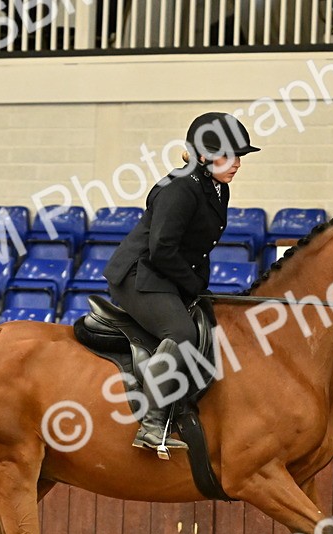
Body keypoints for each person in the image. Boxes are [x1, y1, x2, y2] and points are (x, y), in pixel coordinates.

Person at [103, 112, 260, 456]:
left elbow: (196, 248)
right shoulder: (179, 189)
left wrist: (200, 287)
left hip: (166, 273)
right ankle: (151, 424)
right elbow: (162, 251)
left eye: (240, 157)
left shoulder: (217, 189)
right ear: (203, 157)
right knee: (183, 334)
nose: (236, 164)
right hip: (138, 275)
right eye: (228, 156)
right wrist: (191, 285)